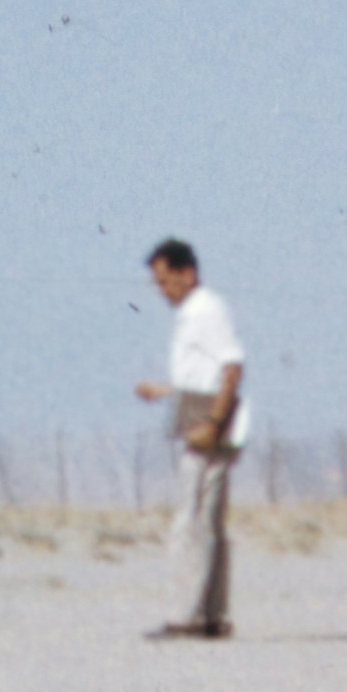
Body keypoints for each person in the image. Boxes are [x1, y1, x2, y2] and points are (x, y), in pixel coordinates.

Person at [133, 238, 243, 638]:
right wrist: (163, 391)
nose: (162, 290)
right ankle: (212, 613)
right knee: (207, 519)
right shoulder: (196, 314)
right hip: (199, 413)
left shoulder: (206, 310)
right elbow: (200, 375)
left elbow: (231, 368)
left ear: (187, 274)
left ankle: (187, 615)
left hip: (209, 420)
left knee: (190, 521)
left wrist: (213, 420)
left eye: (165, 280)